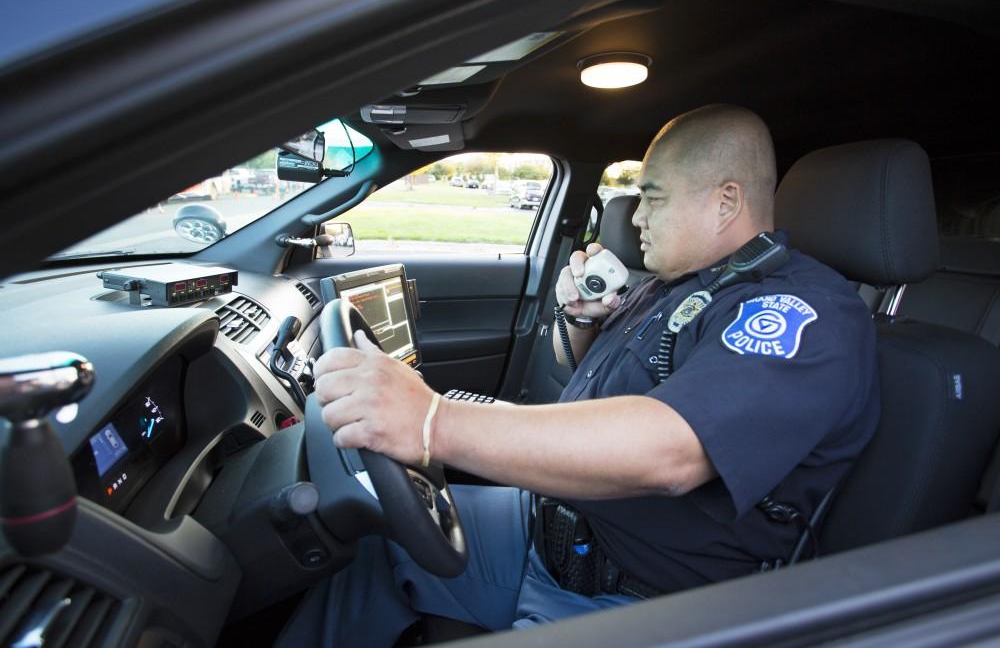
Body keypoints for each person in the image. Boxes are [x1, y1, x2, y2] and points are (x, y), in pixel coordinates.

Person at [276, 105, 879, 646]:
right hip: (550, 532)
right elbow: (595, 385)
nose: (634, 216)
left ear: (725, 201)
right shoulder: (672, 288)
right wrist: (584, 321)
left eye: (653, 197)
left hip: (639, 602)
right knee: (374, 535)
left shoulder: (801, 316)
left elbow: (671, 453)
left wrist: (431, 420)